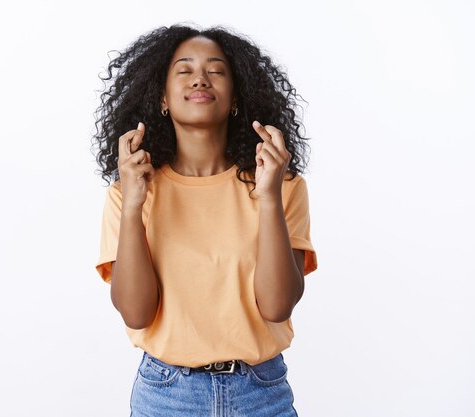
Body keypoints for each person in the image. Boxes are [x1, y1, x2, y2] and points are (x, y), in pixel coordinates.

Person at [92, 23, 318, 417]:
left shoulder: (281, 186)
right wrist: (132, 206)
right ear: (162, 97)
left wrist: (267, 198)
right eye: (184, 69)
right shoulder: (130, 192)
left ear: (235, 98)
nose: (200, 78)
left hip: (260, 395)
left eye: (216, 70)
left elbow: (278, 305)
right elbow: (135, 313)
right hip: (165, 396)